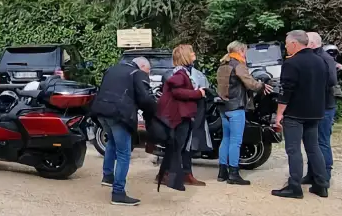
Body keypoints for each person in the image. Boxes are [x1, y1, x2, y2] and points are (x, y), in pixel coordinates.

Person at [90, 55, 159, 206]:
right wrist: (154, 112)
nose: (147, 74)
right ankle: (118, 193)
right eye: (148, 71)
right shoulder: (137, 73)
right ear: (142, 66)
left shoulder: (112, 69)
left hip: (101, 112)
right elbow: (146, 99)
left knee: (112, 143)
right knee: (124, 153)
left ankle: (108, 177)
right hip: (119, 114)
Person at [272, 30, 330, 199]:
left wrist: (279, 114)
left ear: (294, 44)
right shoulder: (321, 61)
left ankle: (294, 186)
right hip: (315, 112)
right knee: (314, 148)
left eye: (287, 44)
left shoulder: (292, 63)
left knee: (293, 149)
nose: (286, 47)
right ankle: (321, 184)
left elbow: (285, 91)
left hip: (296, 113)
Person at [216, 41, 271, 185]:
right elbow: (250, 83)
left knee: (226, 139)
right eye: (245, 51)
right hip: (236, 108)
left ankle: (222, 172)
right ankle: (234, 173)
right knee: (236, 141)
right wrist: (262, 85)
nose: (245, 53)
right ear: (240, 50)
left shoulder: (223, 65)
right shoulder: (238, 65)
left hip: (224, 107)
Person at [155, 44, 206, 192]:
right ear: (185, 56)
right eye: (191, 53)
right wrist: (198, 94)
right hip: (179, 116)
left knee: (176, 148)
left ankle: (167, 176)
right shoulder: (179, 75)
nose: (194, 54)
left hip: (181, 115)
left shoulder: (184, 73)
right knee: (177, 148)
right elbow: (177, 91)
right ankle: (172, 179)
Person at [305, 32, 340, 183]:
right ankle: (312, 173)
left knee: (322, 141)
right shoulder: (313, 57)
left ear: (312, 44)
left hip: (325, 105)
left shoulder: (325, 58)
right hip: (313, 105)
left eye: (305, 42)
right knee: (311, 141)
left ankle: (325, 174)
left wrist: (314, 87)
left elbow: (332, 80)